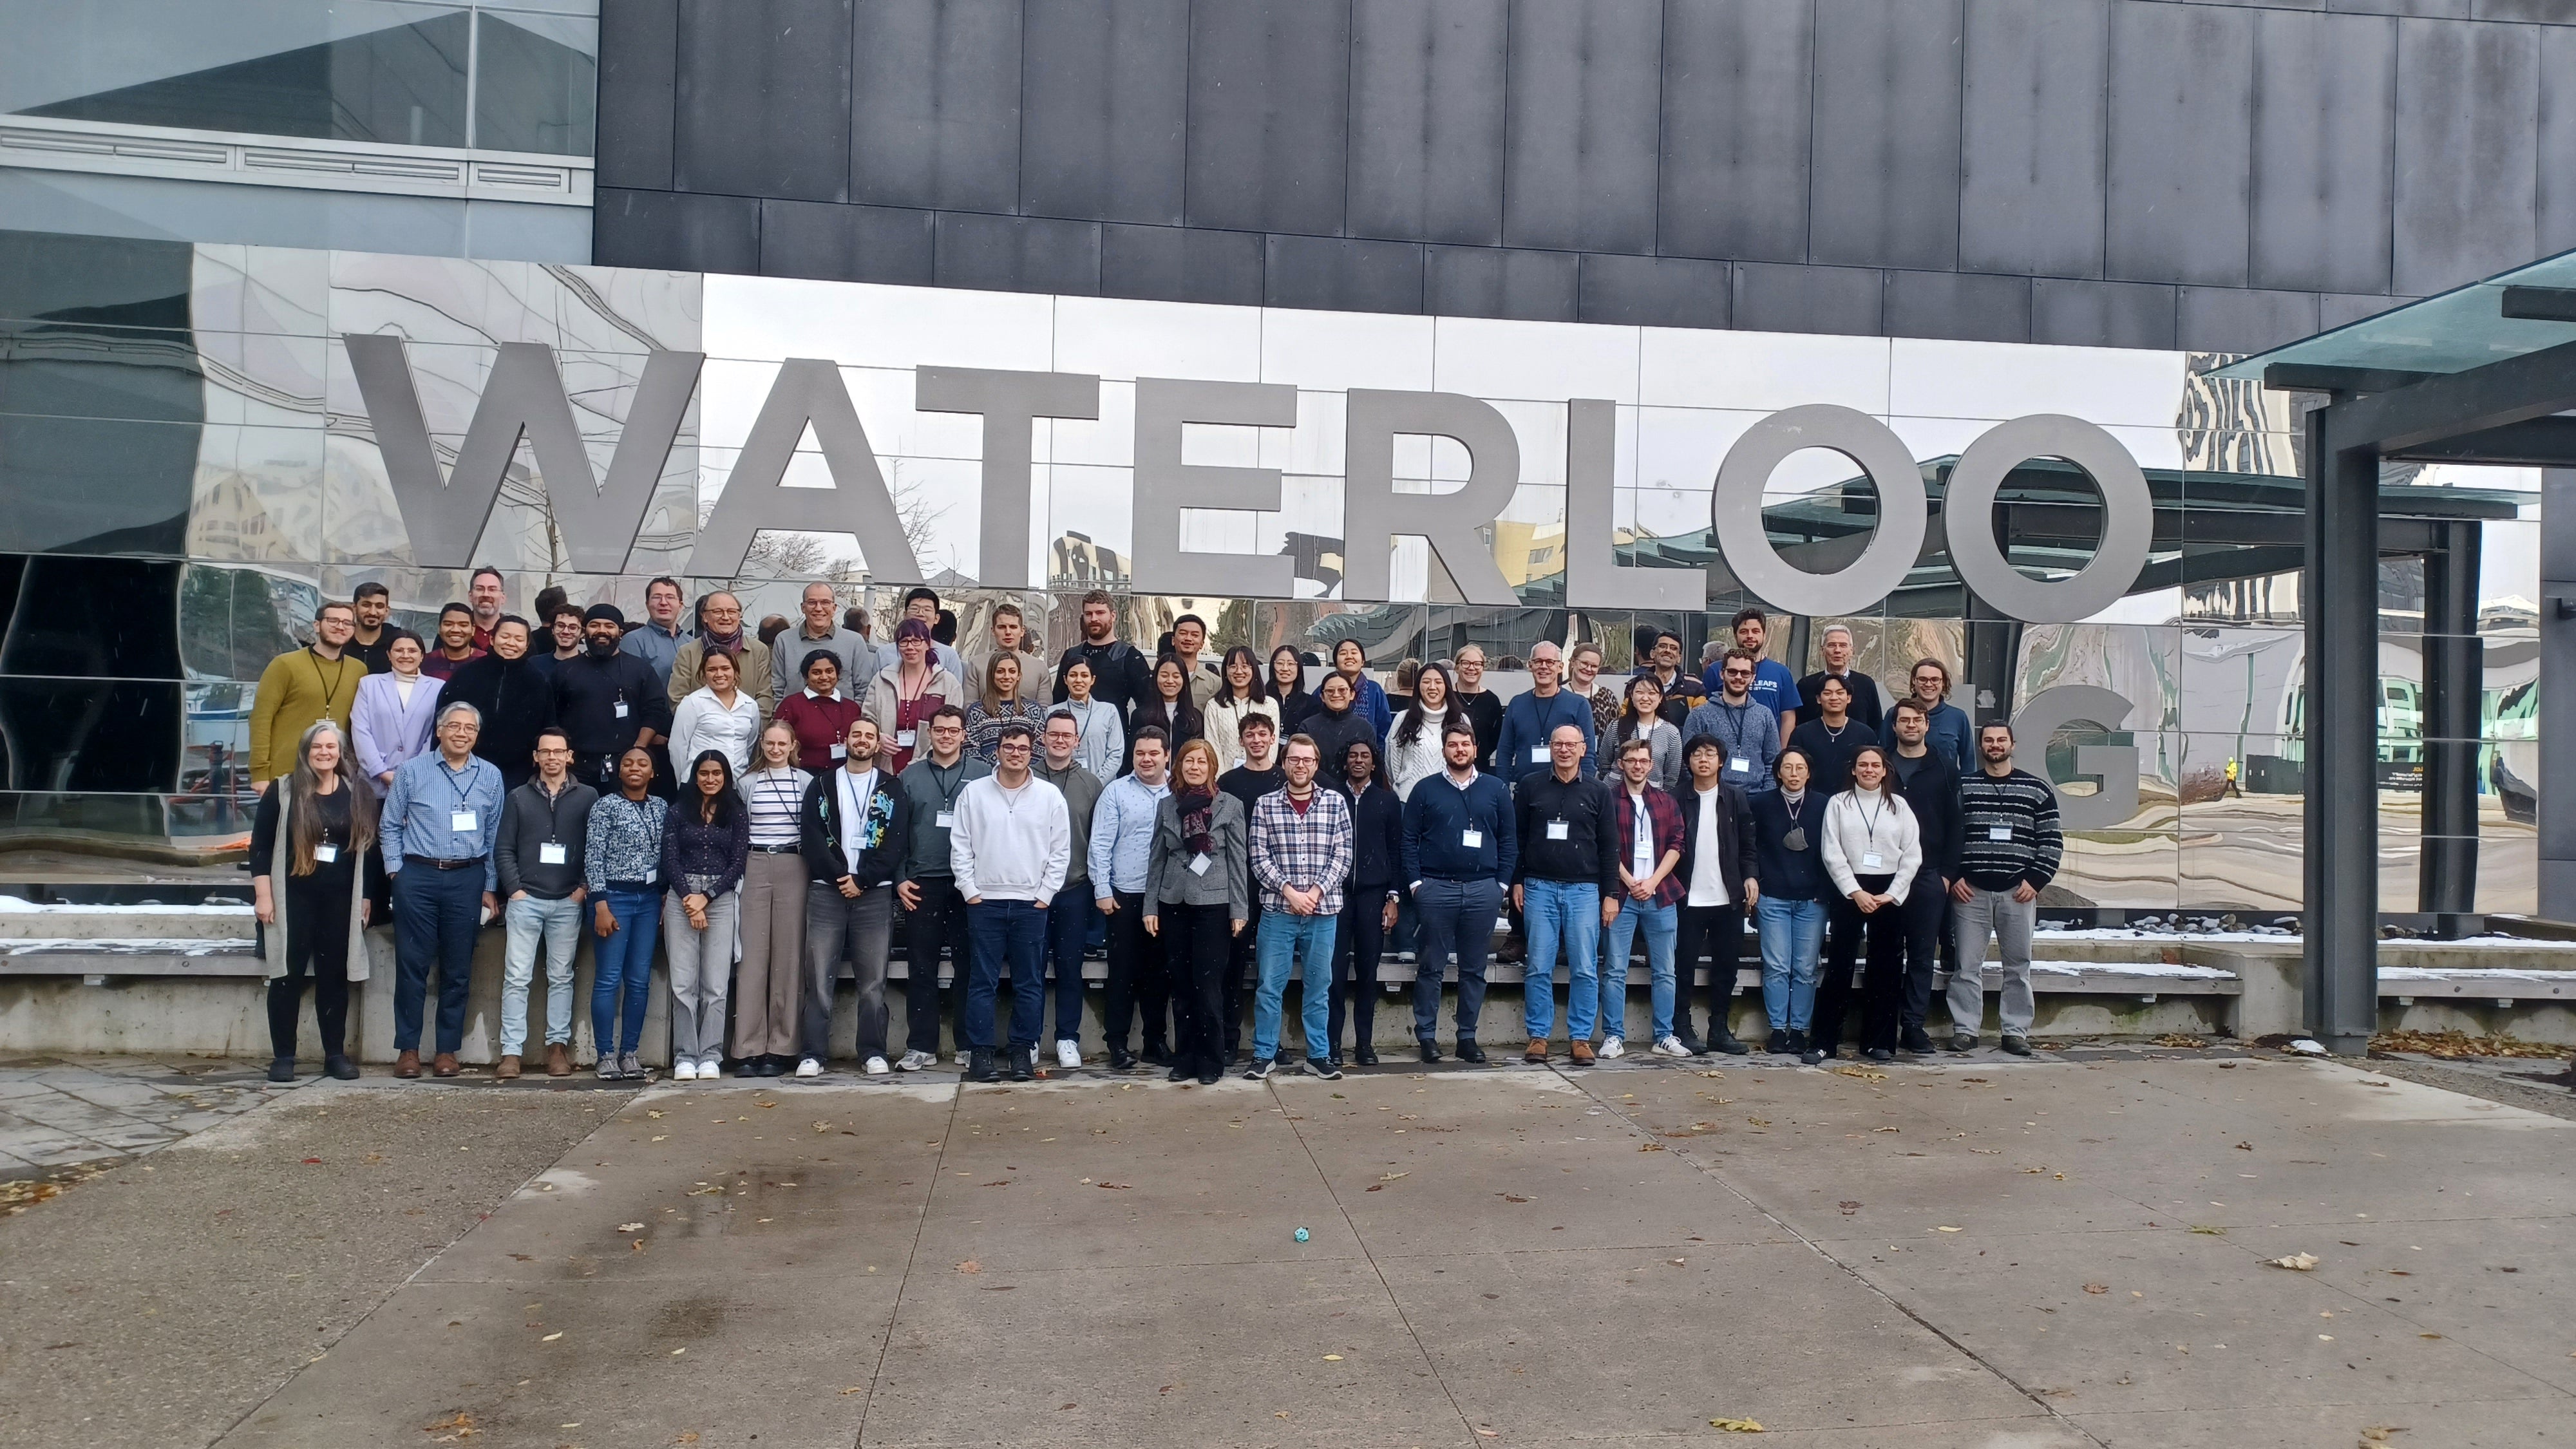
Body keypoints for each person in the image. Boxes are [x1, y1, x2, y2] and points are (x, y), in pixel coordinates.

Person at [250, 721, 379, 1082]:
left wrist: (366, 896)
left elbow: (369, 849)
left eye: (331, 747)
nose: (324, 753)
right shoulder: (283, 791)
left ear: (340, 753)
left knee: (334, 978)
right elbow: (259, 847)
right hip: (292, 899)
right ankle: (284, 1057)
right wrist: (263, 896)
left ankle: (335, 1055)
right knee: (285, 976)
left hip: (339, 900)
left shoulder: (357, 792)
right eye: (317, 747)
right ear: (306, 752)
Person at [380, 701, 503, 1079]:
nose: (461, 733)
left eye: (469, 728)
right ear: (439, 731)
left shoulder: (491, 776)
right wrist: (396, 872)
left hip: (467, 878)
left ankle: (447, 1050)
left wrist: (490, 885)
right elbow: (389, 825)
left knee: (458, 968)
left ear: (477, 735)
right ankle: (409, 1050)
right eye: (454, 726)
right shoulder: (412, 771)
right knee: (412, 965)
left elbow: (496, 835)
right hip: (417, 876)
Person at [947, 721, 1071, 1083]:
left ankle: (1022, 1053)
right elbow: (961, 844)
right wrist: (970, 890)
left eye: (1022, 748)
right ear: (996, 751)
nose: (1015, 754)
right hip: (984, 902)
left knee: (1029, 982)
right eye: (1008, 747)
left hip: (1031, 904)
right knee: (981, 982)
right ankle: (981, 1054)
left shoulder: (1049, 796)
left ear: (1032, 752)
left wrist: (1045, 895)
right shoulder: (974, 793)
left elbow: (1060, 851)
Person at [799, 715, 908, 1076]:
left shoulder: (891, 787)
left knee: (874, 980)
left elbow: (895, 845)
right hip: (826, 892)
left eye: (869, 736)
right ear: (846, 740)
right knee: (818, 977)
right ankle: (813, 1054)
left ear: (878, 745)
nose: (862, 741)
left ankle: (873, 1051)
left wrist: (862, 879)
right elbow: (812, 839)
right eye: (856, 734)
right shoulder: (822, 784)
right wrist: (840, 877)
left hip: (874, 895)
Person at [1401, 721, 1514, 1063]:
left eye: (1466, 744)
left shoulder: (1495, 789)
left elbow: (1509, 839)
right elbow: (1408, 840)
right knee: (1431, 966)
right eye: (1453, 745)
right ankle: (1427, 1037)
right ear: (1445, 750)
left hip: (1484, 891)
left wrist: (1502, 884)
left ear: (1475, 749)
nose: (1460, 750)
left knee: (1474, 969)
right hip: (1436, 889)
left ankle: (1467, 1037)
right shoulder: (1425, 789)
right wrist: (1417, 884)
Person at [1951, 722, 2063, 1056]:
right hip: (1970, 892)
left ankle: (2015, 1032)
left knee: (2018, 966)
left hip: (2019, 891)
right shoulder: (1962, 786)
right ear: (1981, 746)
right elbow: (1947, 835)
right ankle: (1965, 1030)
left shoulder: (2037, 789)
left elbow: (2052, 841)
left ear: (2013, 743)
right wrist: (1955, 875)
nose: (1995, 745)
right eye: (1989, 740)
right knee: (1967, 965)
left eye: (2001, 740)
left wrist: (2036, 881)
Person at [1513, 724, 1621, 1063]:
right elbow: (1516, 839)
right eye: (1558, 744)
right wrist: (1516, 881)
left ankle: (1580, 1038)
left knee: (1585, 968)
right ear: (1550, 749)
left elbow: (1609, 847)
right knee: (1538, 966)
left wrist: (1611, 893)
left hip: (1584, 890)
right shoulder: (1530, 786)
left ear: (1583, 749)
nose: (1564, 750)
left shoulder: (1599, 791)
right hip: (1539, 887)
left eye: (1570, 744)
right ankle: (1538, 1036)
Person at [1247, 735, 1352, 1081]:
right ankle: (1264, 1054)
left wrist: (1317, 891)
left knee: (1319, 986)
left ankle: (1318, 1055)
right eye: (1294, 759)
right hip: (1278, 911)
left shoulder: (1336, 803)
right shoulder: (1266, 805)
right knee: (1268, 986)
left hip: (1323, 913)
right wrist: (1290, 892)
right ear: (1284, 762)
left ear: (1316, 765)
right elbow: (1259, 858)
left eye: (1307, 760)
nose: (1301, 766)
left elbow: (1344, 856)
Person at [1143, 739, 1248, 1085]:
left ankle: (1211, 1060)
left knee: (1208, 985)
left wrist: (1239, 909)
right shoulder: (1167, 806)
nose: (1194, 767)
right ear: (1179, 766)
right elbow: (1157, 858)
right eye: (1188, 761)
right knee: (1182, 984)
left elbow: (1237, 859)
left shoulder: (1229, 806)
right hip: (1174, 903)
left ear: (1212, 767)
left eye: (1201, 762)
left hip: (1214, 905)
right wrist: (1150, 906)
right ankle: (1184, 1058)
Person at [493, 727, 595, 1080]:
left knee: (562, 978)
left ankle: (557, 1048)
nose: (552, 758)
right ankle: (511, 1052)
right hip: (526, 900)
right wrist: (515, 890)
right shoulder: (518, 797)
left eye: (558, 752)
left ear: (570, 756)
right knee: (517, 978)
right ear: (535, 757)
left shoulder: (589, 797)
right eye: (545, 752)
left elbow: (594, 848)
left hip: (568, 900)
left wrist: (582, 889)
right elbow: (504, 847)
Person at [894, 705, 988, 1070]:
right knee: (921, 967)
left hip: (970, 885)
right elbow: (897, 833)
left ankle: (969, 1044)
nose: (946, 736)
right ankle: (921, 1046)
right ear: (929, 734)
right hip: (921, 883)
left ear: (964, 734)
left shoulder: (982, 774)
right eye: (939, 730)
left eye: (953, 730)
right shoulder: (909, 776)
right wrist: (900, 877)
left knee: (970, 966)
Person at [1818, 745, 1924, 1065]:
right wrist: (1854, 891)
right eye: (1863, 765)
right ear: (1853, 770)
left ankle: (1879, 1042)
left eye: (1875, 765)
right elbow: (1831, 851)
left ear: (1884, 770)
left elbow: (1913, 854)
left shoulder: (1899, 806)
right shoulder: (1838, 804)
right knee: (1840, 965)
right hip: (1850, 888)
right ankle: (1824, 1042)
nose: (1869, 770)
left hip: (1888, 892)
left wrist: (1892, 893)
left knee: (1886, 968)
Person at [1596, 737, 1687, 1059]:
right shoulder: (1607, 799)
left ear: (1651, 764)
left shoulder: (1666, 801)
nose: (1638, 766)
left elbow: (1677, 844)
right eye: (1631, 760)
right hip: (1621, 894)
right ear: (1621, 764)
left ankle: (1665, 1035)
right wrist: (1631, 881)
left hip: (1660, 894)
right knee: (1615, 969)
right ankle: (1613, 1036)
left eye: (1643, 761)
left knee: (1665, 970)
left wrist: (1653, 881)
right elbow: (1603, 847)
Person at [661, 750, 748, 1081]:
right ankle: (685, 1055)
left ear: (725, 777)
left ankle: (711, 1054)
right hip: (680, 897)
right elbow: (670, 859)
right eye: (703, 773)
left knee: (715, 983)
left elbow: (738, 863)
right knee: (684, 983)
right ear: (694, 776)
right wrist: (689, 899)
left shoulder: (736, 814)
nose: (710, 779)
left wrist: (706, 898)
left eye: (716, 773)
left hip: (721, 898)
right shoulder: (678, 811)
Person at [1090, 726, 1174, 1068]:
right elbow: (1100, 843)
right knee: (1122, 973)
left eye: (1154, 753)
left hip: (1168, 898)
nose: (1146, 759)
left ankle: (1155, 1041)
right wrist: (1103, 889)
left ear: (1167, 755)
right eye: (1140, 753)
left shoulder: (1180, 790)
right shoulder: (1116, 792)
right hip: (1126, 895)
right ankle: (1118, 1044)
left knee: (1160, 974)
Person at [583, 746, 667, 1080]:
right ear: (619, 772)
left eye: (642, 764)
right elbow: (593, 856)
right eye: (628, 764)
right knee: (608, 978)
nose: (634, 768)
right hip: (613, 898)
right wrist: (600, 904)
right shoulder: (605, 806)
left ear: (652, 773)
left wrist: (662, 897)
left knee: (639, 980)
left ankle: (629, 1053)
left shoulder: (662, 807)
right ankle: (605, 1054)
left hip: (648, 900)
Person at [735, 721, 813, 1077]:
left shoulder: (806, 782)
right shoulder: (748, 783)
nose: (776, 749)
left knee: (788, 954)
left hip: (792, 863)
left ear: (793, 745)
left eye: (782, 744)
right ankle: (749, 1047)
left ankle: (782, 1048)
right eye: (770, 743)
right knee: (752, 957)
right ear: (762, 745)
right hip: (754, 863)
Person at [1886, 700, 1962, 1056]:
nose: (1911, 726)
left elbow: (1955, 825)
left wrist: (1948, 874)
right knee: (1887, 952)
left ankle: (1913, 1026)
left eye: (1917, 720)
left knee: (1920, 955)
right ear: (1895, 725)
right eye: (1904, 720)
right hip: (1884, 875)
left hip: (1930, 875)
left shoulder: (1944, 767)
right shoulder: (1879, 764)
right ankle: (1883, 1024)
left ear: (1927, 725)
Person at [1745, 748, 1828, 1065]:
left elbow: (1832, 849)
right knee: (1777, 967)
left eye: (1800, 768)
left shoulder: (1823, 804)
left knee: (1805, 969)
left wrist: (1825, 891)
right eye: (1788, 768)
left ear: (1809, 773)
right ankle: (1778, 1029)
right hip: (1774, 897)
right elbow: (1750, 847)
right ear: (1778, 772)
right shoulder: (1761, 803)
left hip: (1813, 899)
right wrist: (1754, 880)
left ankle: (1800, 1030)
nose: (1794, 773)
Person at [1672, 735, 1752, 1056]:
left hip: (1727, 898)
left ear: (1721, 762)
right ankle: (1681, 1027)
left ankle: (1719, 1028)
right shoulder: (1675, 798)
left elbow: (1748, 844)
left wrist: (1750, 876)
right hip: (1686, 898)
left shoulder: (1735, 798)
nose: (1703, 759)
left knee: (1727, 966)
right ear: (1688, 761)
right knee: (1683, 966)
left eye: (1710, 754)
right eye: (1696, 754)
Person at [1034, 710, 1104, 1067]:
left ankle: (1067, 1039)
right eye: (1054, 734)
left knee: (1069, 968)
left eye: (1067, 735)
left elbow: (1099, 839)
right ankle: (1029, 1036)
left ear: (1077, 741)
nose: (1060, 740)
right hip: (1030, 891)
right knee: (1028, 967)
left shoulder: (1091, 784)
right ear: (1042, 737)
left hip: (1074, 889)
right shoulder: (1024, 777)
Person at [1216, 712, 1287, 1064]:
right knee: (1233, 965)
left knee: (1273, 968)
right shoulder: (1227, 782)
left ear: (1273, 738)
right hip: (1238, 884)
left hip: (1278, 885)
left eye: (1263, 734)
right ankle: (1229, 1039)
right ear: (1241, 740)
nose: (1257, 740)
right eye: (1250, 734)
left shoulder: (1286, 778)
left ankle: (1272, 1042)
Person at [1329, 739, 1401, 1068]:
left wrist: (1393, 897)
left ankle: (1364, 1044)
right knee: (1334, 973)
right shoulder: (1331, 799)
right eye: (1353, 756)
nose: (1359, 761)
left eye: (1366, 757)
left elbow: (1397, 851)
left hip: (1373, 896)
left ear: (1374, 764)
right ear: (1345, 762)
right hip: (1336, 895)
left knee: (1368, 974)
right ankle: (1331, 1044)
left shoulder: (1387, 801)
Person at [553, 603, 674, 792]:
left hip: (624, 765)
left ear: (621, 632)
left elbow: (655, 711)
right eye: (595, 625)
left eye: (609, 626)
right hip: (575, 765)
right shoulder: (565, 670)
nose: (602, 631)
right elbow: (553, 716)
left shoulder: (641, 669)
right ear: (585, 631)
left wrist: (638, 749)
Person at [249, 600, 366, 791]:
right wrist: (260, 773)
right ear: (317, 625)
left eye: (347, 623)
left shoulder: (359, 670)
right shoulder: (285, 665)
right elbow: (261, 719)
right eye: (333, 620)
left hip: (335, 777)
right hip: (287, 775)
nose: (340, 627)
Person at [437, 616, 550, 791]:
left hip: (518, 774)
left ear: (527, 645)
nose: (511, 643)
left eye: (519, 639)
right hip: (466, 765)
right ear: (492, 639)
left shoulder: (538, 681)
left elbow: (548, 727)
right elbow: (442, 719)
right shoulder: (468, 674)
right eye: (505, 636)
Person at [869, 618, 963, 775]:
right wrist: (878, 739)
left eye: (916, 641)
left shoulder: (947, 682)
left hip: (932, 770)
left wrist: (918, 765)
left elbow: (954, 728)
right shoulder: (882, 679)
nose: (910, 647)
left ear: (928, 644)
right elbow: (868, 718)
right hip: (885, 768)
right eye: (904, 642)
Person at [1495, 642, 1595, 790]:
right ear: (1530, 665)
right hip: (1525, 793)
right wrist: (1502, 790)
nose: (1544, 667)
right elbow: (1504, 753)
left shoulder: (1578, 705)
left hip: (1567, 790)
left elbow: (1588, 753)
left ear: (1560, 667)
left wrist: (1583, 791)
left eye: (1550, 662)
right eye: (1538, 662)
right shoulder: (1517, 704)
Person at [351, 629, 438, 797]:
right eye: (399, 650)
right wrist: (381, 772)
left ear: (422, 656)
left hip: (418, 782)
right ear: (389, 655)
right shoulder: (369, 684)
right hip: (372, 782)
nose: (405, 655)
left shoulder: (438, 687)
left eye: (412, 651)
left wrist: (413, 772)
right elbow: (361, 730)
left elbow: (434, 734)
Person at [1684, 648, 1783, 795]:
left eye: (1745, 673)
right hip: (1713, 798)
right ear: (1722, 674)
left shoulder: (1765, 716)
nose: (1738, 677)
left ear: (1753, 677)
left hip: (1756, 799)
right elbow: (1687, 761)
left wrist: (1765, 797)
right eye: (1732, 672)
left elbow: (1773, 762)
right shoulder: (1700, 715)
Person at [665, 591, 775, 722]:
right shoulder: (687, 653)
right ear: (705, 616)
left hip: (747, 734)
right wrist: (711, 728)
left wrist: (749, 729)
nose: (726, 617)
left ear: (739, 616)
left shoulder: (758, 651)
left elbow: (765, 697)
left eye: (732, 611)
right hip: (703, 735)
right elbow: (678, 700)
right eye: (718, 611)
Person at [1052, 589, 1155, 718]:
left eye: (1100, 613)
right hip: (1071, 734)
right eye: (1089, 614)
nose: (1094, 618)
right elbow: (1058, 701)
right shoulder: (1071, 655)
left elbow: (1147, 707)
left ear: (1113, 616)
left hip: (1115, 734)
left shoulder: (1129, 656)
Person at [668, 646, 763, 777]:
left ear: (735, 670)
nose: (719, 674)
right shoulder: (692, 702)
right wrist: (684, 782)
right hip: (701, 784)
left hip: (738, 782)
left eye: (725, 668)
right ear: (704, 673)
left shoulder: (750, 705)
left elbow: (749, 746)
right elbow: (677, 747)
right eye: (712, 670)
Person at [773, 582, 877, 702]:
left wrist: (853, 719)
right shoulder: (784, 641)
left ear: (834, 608)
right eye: (812, 602)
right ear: (803, 607)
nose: (818, 608)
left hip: (843, 719)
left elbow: (864, 690)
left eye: (825, 603)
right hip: (794, 719)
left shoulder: (854, 642)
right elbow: (778, 689)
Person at [1701, 609, 1801, 734]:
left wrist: (1782, 752)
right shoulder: (1716, 670)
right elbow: (1706, 710)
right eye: (1744, 632)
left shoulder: (1781, 672)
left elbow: (1788, 718)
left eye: (1755, 631)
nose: (1750, 636)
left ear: (1764, 635)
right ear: (1735, 635)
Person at [776, 650, 868, 774]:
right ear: (806, 676)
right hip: (802, 776)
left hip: (845, 776)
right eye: (816, 672)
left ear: (838, 674)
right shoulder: (792, 705)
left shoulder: (851, 708)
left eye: (829, 671)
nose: (824, 677)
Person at [1786, 674, 1878, 799]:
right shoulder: (1802, 733)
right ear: (1819, 699)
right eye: (1828, 693)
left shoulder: (1866, 734)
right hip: (1810, 802)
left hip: (1853, 803)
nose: (1834, 698)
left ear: (1849, 698)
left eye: (1840, 693)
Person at [1387, 662, 1464, 799]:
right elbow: (1392, 763)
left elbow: (1465, 762)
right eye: (1426, 682)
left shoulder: (1460, 720)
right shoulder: (1403, 719)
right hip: (1408, 801)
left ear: (1446, 686)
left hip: (1450, 800)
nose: (1432, 687)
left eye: (1438, 682)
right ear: (1418, 687)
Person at [1298, 671, 1377, 794]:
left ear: (1352, 694)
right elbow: (1302, 762)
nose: (1336, 695)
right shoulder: (1307, 727)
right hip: (1314, 793)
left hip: (1354, 795)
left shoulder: (1364, 728)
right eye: (1330, 691)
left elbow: (1371, 769)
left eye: (1342, 690)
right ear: (1322, 697)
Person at [1798, 623, 1884, 735]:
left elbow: (1876, 725)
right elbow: (1798, 723)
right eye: (1832, 645)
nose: (1837, 650)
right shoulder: (1806, 685)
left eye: (1843, 645)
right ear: (1822, 650)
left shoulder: (1866, 684)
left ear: (1852, 651)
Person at [1202, 645, 1278, 772]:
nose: (1239, 671)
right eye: (1233, 666)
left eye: (1245, 666)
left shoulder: (1269, 705)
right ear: (1225, 671)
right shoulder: (1214, 706)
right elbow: (1212, 749)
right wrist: (1223, 782)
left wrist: (1262, 775)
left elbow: (1272, 747)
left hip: (1261, 779)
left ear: (1253, 670)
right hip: (1224, 782)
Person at [963, 652, 1047, 764]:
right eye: (1000, 671)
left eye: (1012, 671)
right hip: (987, 777)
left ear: (1019, 676)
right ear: (991, 675)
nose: (1007, 676)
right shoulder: (976, 712)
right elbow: (970, 751)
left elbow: (1039, 750)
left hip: (1024, 776)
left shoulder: (1033, 710)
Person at [1603, 674, 1681, 791]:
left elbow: (1672, 777)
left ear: (1660, 698)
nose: (1645, 698)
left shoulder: (1671, 733)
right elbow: (1604, 764)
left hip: (1653, 799)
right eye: (1640, 692)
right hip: (1615, 795)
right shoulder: (1616, 726)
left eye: (1652, 693)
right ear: (1632, 696)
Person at [1054, 657, 1125, 781]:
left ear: (1092, 680)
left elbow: (1116, 754)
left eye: (1084, 675)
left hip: (1102, 788)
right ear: (1066, 680)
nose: (1079, 680)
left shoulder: (1108, 711)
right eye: (1073, 675)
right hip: (1063, 787)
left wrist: (1097, 784)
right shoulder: (1052, 713)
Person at [963, 599, 1046, 703]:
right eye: (1002, 627)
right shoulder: (977, 664)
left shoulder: (1039, 667)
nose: (1008, 632)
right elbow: (969, 707)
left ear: (1022, 631)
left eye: (1013, 627)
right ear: (993, 631)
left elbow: (1045, 710)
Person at [1131, 654, 1204, 761]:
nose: (1170, 681)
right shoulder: (1141, 716)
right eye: (1164, 675)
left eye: (1176, 676)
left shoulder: (1195, 718)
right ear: (1156, 678)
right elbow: (1132, 756)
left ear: (1184, 680)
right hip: (1151, 776)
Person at [620, 576, 688, 687]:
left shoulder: (691, 643)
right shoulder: (634, 641)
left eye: (670, 597)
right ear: (647, 604)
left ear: (680, 605)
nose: (663, 603)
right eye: (657, 597)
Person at [1910, 658, 1975, 773]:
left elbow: (1968, 763)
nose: (1929, 684)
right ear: (1914, 681)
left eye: (1935, 680)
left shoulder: (1958, 717)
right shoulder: (1896, 715)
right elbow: (1885, 756)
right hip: (1903, 788)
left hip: (1947, 789)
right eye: (1923, 679)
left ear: (1943, 682)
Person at [1635, 629, 1704, 726]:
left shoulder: (1696, 687)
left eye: (1674, 648)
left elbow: (1699, 726)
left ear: (1679, 657)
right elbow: (1628, 721)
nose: (1667, 651)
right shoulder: (1636, 685)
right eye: (1662, 646)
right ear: (1652, 653)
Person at [899, 586, 970, 681]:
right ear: (905, 615)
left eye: (927, 610)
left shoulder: (949, 655)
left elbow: (955, 693)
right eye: (915, 609)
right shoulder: (884, 653)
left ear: (936, 618)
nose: (920, 613)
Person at [1450, 645, 1505, 769]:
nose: (1472, 668)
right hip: (1447, 766)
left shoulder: (1492, 700)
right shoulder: (1446, 697)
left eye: (1477, 664)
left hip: (1480, 768)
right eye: (1466, 663)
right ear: (1457, 667)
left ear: (1482, 668)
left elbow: (1496, 737)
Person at [1328, 638, 1393, 741]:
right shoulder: (1325, 691)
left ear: (1363, 661)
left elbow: (1384, 730)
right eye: (1343, 653)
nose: (1349, 657)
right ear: (1336, 662)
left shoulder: (1374, 691)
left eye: (1354, 653)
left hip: (1366, 754)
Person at [1166, 612, 1226, 709]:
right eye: (1183, 633)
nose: (1188, 638)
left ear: (1202, 644)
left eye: (1194, 635)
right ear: (1173, 640)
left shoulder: (1215, 683)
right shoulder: (1160, 679)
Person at [1567, 641, 1621, 738]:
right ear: (1573, 662)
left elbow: (1616, 735)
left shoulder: (1608, 697)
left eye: (1594, 666)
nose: (1589, 669)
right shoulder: (1558, 694)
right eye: (1584, 663)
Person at [422, 603, 483, 681]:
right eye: (448, 624)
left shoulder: (487, 661)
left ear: (473, 629)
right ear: (439, 628)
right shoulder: (425, 662)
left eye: (463, 625)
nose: (455, 630)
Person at [346, 583, 394, 674]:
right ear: (354, 608)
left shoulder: (397, 644)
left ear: (387, 611)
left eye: (379, 606)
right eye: (366, 605)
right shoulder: (340, 641)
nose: (373, 612)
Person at [532, 601, 585, 681]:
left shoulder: (589, 667)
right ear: (553, 630)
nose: (566, 632)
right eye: (560, 626)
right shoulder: (534, 665)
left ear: (582, 633)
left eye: (573, 627)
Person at [465, 565, 507, 650]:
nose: (486, 594)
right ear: (470, 596)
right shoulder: (456, 631)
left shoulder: (516, 632)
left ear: (503, 598)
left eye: (492, 589)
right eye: (480, 589)